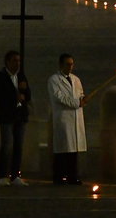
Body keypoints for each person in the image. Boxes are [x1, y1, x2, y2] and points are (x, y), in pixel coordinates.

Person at [0, 51, 31, 186]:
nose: (17, 63)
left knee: (18, 146)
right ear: (7, 62)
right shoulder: (0, 77)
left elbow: (28, 95)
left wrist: (24, 93)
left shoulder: (21, 76)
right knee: (7, 145)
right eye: (15, 60)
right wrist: (14, 97)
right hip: (6, 116)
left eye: (19, 61)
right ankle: (3, 175)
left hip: (20, 115)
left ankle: (15, 175)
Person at [47, 53, 87, 185]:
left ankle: (72, 175)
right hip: (63, 118)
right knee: (62, 150)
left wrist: (82, 99)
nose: (70, 67)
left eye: (72, 64)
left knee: (73, 150)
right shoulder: (54, 80)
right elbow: (59, 97)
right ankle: (59, 176)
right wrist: (77, 103)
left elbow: (80, 93)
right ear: (61, 65)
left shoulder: (76, 79)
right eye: (67, 64)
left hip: (75, 117)